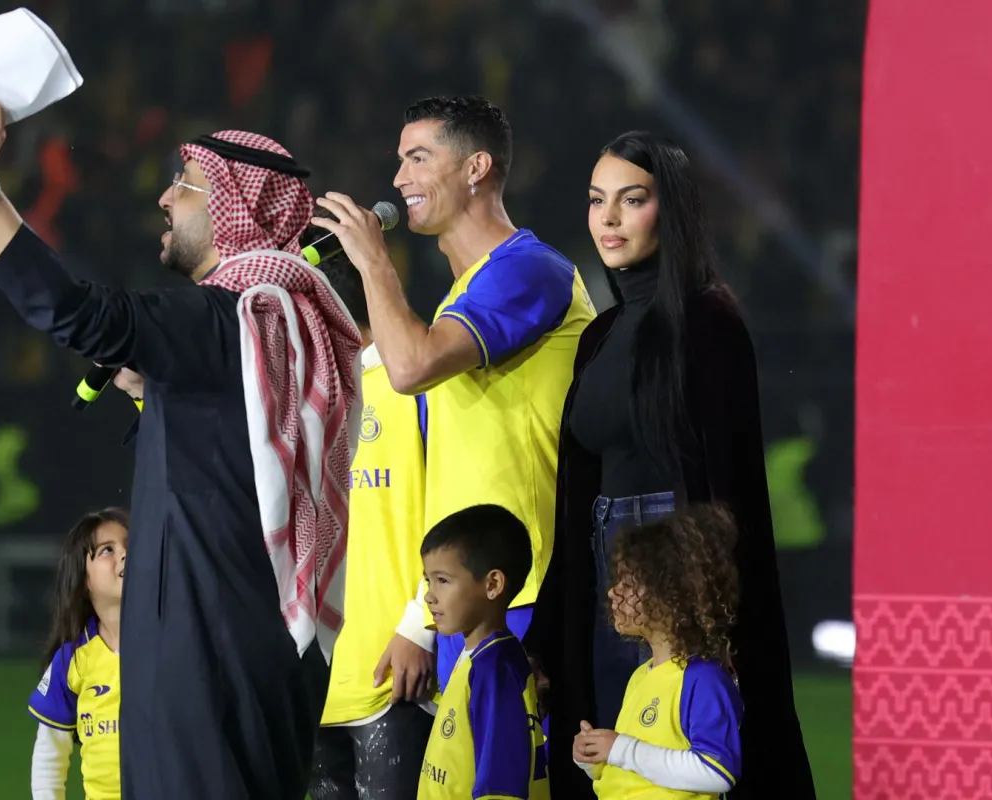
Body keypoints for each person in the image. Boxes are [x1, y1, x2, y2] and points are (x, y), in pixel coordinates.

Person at [0, 96, 362, 799]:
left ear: (236, 207)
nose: (166, 197)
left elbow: (79, 312)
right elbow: (231, 448)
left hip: (207, 651)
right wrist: (152, 393)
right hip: (232, 643)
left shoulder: (232, 313)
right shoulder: (271, 319)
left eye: (187, 183)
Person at [524, 131, 814, 798]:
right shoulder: (599, 335)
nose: (609, 218)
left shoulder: (709, 322)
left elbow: (725, 487)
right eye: (598, 201)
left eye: (632, 199)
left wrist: (718, 624)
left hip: (680, 585)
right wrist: (551, 627)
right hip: (606, 580)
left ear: (672, 210)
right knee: (612, 769)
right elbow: (578, 492)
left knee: (681, 772)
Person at [309, 95, 595, 688]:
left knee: (510, 778)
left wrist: (372, 263)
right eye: (400, 160)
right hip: (469, 597)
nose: (398, 178)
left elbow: (410, 366)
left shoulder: (528, 269)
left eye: (418, 157)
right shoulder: (458, 299)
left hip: (525, 590)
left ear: (475, 168)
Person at [307, 228, 437, 799]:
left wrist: (421, 626)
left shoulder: (422, 380)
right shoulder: (295, 394)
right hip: (309, 684)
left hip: (394, 675)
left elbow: (457, 508)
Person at [573, 505, 743, 799]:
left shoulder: (703, 679)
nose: (613, 592)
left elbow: (716, 770)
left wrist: (621, 749)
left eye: (628, 583)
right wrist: (595, 759)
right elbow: (635, 766)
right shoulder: (640, 676)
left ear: (670, 594)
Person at [417, 504, 549, 800]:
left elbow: (501, 787)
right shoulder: (477, 659)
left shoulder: (495, 671)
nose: (429, 595)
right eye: (429, 580)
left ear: (492, 585)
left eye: (443, 580)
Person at [28, 508, 128, 800]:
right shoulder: (73, 659)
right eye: (107, 549)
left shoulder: (173, 646)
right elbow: (50, 754)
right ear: (84, 579)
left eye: (130, 546)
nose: (124, 554)